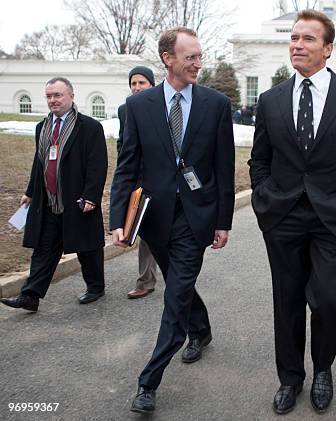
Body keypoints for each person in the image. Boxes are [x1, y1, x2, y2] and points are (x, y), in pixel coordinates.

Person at [249, 10, 336, 415]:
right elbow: (260, 160)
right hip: (283, 216)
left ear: (327, 48)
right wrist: (263, 197)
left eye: (308, 39)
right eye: (293, 38)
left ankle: (322, 367)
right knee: (287, 301)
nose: (297, 45)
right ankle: (291, 378)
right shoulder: (270, 100)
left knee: (327, 300)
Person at [109, 27, 235, 413]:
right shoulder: (138, 106)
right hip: (155, 219)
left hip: (195, 219)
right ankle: (201, 329)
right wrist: (119, 219)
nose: (199, 63)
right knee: (180, 286)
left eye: (200, 56)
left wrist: (223, 220)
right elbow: (127, 167)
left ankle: (148, 382)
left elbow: (223, 167)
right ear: (168, 59)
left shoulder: (215, 104)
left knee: (174, 295)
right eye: (191, 57)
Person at [1, 77, 108, 312]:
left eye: (57, 95)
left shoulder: (89, 127)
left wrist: (91, 195)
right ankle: (30, 295)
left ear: (71, 95)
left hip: (77, 199)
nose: (53, 100)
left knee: (87, 247)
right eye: (49, 96)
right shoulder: (42, 127)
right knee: (44, 248)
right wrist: (30, 192)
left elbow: (97, 164)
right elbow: (38, 163)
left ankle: (95, 287)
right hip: (48, 201)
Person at [117, 66, 160, 300]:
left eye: (141, 83)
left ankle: (170, 270)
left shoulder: (163, 107)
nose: (136, 87)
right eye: (133, 83)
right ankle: (146, 280)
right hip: (137, 181)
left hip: (161, 180)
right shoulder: (125, 110)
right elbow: (123, 146)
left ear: (151, 85)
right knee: (144, 229)